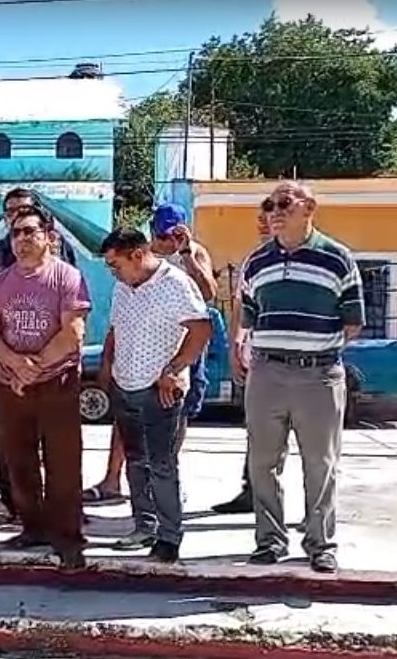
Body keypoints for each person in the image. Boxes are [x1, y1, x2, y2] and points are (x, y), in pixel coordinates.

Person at [239, 181, 363, 573]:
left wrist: (316, 350)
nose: (274, 211)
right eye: (269, 204)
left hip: (319, 376)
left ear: (309, 208)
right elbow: (247, 315)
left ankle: (320, 543)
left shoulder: (337, 259)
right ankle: (270, 540)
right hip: (267, 373)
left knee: (320, 464)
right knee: (262, 462)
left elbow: (353, 322)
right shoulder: (256, 262)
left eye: (284, 203)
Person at [83, 202, 217, 506]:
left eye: (171, 233)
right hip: (133, 358)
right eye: (160, 233)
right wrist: (108, 362)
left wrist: (186, 254)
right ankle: (116, 481)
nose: (166, 240)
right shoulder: (133, 267)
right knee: (127, 425)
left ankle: (166, 489)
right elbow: (116, 325)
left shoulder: (191, 257)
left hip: (179, 351)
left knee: (171, 419)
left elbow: (207, 298)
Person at [0, 206, 90, 569]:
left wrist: (35, 365)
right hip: (11, 384)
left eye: (30, 232)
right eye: (16, 233)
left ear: (48, 236)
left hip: (56, 381)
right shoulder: (0, 282)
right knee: (18, 459)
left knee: (63, 461)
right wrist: (14, 363)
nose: (23, 240)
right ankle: (32, 527)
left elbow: (73, 333)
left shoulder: (67, 278)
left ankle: (68, 537)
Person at [101, 228, 211, 563]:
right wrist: (107, 366)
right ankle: (143, 525)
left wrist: (175, 369)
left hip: (159, 390)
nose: (113, 272)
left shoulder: (175, 284)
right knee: (136, 461)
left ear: (136, 255)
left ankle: (168, 535)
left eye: (115, 264)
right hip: (126, 386)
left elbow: (201, 329)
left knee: (162, 464)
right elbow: (115, 329)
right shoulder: (123, 286)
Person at [212, 200, 273, 515]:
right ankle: (251, 492)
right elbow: (239, 308)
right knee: (256, 432)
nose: (264, 223)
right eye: (261, 219)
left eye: (270, 217)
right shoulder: (255, 261)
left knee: (308, 443)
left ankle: (312, 510)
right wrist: (236, 346)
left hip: (296, 364)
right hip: (257, 360)